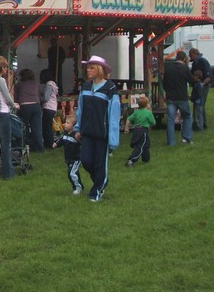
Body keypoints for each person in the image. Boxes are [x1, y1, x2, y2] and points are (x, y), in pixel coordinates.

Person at [74, 55, 121, 202]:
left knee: (101, 163)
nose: (88, 70)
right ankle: (101, 181)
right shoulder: (86, 87)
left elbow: (113, 115)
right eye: (87, 67)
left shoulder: (110, 89)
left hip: (102, 134)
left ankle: (96, 192)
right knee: (86, 160)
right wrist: (78, 128)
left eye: (91, 67)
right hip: (87, 132)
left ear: (100, 70)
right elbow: (80, 110)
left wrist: (113, 139)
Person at [163, 50, 195, 146]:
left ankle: (171, 142)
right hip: (182, 97)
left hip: (170, 97)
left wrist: (167, 92)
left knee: (170, 119)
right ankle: (187, 137)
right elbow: (191, 81)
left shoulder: (168, 68)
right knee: (187, 116)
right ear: (184, 58)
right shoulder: (184, 68)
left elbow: (164, 83)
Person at [52, 113, 83, 195]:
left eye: (67, 123)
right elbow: (62, 140)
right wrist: (56, 144)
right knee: (73, 173)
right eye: (65, 122)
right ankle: (79, 186)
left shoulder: (76, 135)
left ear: (73, 126)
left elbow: (82, 142)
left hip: (76, 159)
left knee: (71, 173)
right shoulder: (65, 133)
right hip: (68, 159)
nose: (65, 124)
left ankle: (78, 188)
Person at [14, 68, 43, 154]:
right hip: (36, 106)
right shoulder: (36, 84)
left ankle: (24, 146)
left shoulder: (18, 85)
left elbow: (15, 98)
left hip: (24, 106)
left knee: (23, 127)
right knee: (37, 128)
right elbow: (38, 94)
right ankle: (39, 148)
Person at [124, 95, 156, 166]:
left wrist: (126, 128)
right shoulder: (148, 113)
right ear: (146, 105)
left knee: (146, 145)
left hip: (136, 130)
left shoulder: (136, 112)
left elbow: (128, 119)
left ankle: (146, 159)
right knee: (140, 146)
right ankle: (131, 160)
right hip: (143, 131)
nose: (149, 104)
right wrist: (150, 112)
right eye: (148, 103)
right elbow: (153, 122)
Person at [189, 48, 211, 130]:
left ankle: (198, 125)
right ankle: (203, 123)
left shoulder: (203, 62)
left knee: (199, 105)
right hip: (198, 85)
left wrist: (202, 84)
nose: (190, 57)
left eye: (190, 55)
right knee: (201, 105)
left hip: (203, 86)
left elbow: (209, 76)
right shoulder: (195, 63)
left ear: (195, 54)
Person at [39, 69, 59, 151]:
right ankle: (49, 143)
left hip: (48, 107)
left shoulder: (49, 84)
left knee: (47, 127)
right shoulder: (54, 84)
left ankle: (49, 143)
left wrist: (38, 98)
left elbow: (46, 98)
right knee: (48, 126)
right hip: (53, 107)